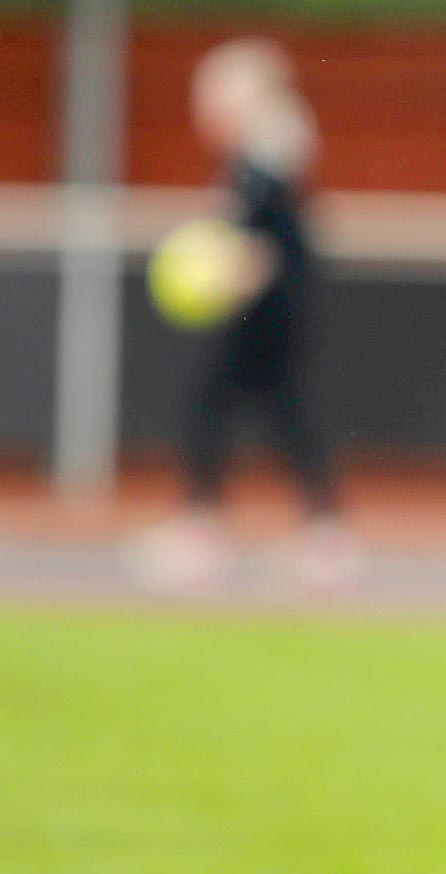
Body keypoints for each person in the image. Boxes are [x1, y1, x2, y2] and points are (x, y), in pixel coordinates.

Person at [133, 37, 357, 594]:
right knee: (268, 411)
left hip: (268, 317)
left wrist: (223, 275)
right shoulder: (260, 159)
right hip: (269, 313)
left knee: (231, 406)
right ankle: (317, 533)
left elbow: (265, 251)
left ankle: (218, 532)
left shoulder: (264, 164)